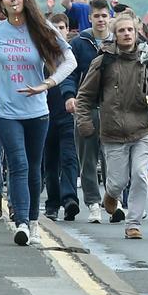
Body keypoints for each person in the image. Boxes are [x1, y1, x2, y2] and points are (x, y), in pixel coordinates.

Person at [0, 0, 75, 246]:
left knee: (34, 167)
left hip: (37, 110)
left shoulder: (41, 28)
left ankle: (33, 222)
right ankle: (20, 221)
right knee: (18, 164)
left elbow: (69, 60)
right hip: (5, 110)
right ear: (0, 3)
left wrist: (49, 83)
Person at [76, 14, 148, 239]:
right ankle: (111, 195)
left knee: (140, 174)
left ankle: (133, 223)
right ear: (115, 35)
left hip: (142, 129)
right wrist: (84, 122)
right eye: (122, 30)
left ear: (136, 33)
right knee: (118, 182)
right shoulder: (103, 61)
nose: (126, 34)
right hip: (113, 132)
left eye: (130, 30)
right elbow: (85, 95)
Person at [68, 0, 115, 222]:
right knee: (87, 157)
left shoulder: (119, 41)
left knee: (113, 156)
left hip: (113, 107)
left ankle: (114, 199)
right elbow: (69, 73)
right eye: (97, 15)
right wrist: (69, 96)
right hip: (86, 106)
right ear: (90, 17)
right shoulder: (79, 43)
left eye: (104, 15)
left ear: (110, 17)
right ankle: (93, 203)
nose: (101, 19)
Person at [42, 11, 82, 221]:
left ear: (68, 30)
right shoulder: (42, 56)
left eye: (62, 27)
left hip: (68, 114)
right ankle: (52, 202)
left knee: (69, 158)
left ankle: (69, 200)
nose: (58, 31)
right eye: (54, 27)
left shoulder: (73, 57)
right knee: (50, 162)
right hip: (45, 115)